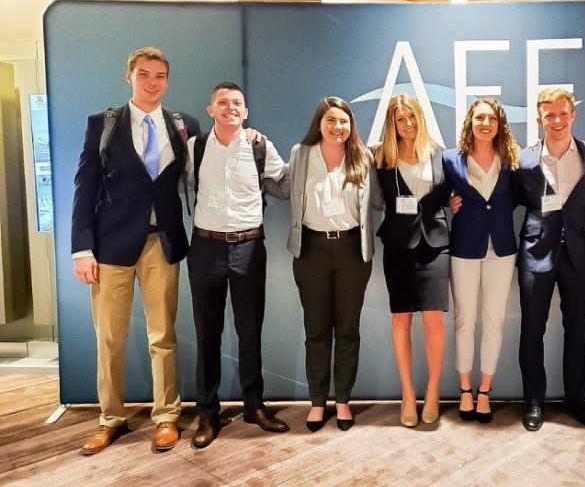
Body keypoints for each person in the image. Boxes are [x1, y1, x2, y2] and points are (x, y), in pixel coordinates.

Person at [72, 47, 201, 454]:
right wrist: (81, 248)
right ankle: (110, 418)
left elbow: (204, 168)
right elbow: (85, 187)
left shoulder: (184, 125)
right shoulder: (103, 124)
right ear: (129, 76)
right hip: (110, 247)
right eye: (144, 74)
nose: (152, 82)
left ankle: (167, 416)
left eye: (160, 76)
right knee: (109, 337)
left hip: (160, 243)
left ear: (167, 80)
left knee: (163, 335)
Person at [264, 96, 382, 432]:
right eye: (331, 120)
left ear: (351, 126)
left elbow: (380, 199)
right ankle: (318, 402)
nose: (338, 127)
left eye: (344, 121)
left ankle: (342, 401)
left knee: (347, 331)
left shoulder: (364, 157)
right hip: (311, 251)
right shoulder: (300, 155)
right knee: (316, 331)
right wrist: (252, 153)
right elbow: (282, 187)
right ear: (320, 123)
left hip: (351, 253)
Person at [186, 82, 290, 448]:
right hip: (205, 247)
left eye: (238, 103)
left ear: (245, 112)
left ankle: (253, 406)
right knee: (206, 334)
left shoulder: (260, 146)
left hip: (249, 247)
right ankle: (206, 413)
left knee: (250, 331)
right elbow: (175, 186)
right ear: (211, 109)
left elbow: (286, 183)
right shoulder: (194, 147)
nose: (230, 107)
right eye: (223, 102)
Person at [514, 87, 585, 431]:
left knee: (578, 331)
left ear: (573, 115)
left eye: (563, 113)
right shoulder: (523, 159)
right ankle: (534, 402)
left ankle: (577, 401)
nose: (557, 120)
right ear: (539, 119)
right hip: (535, 254)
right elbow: (506, 200)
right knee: (532, 331)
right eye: (549, 115)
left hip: (580, 255)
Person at [374, 95, 450, 427]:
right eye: (400, 119)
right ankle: (408, 393)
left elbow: (452, 191)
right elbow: (376, 199)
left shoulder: (439, 154)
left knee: (433, 320)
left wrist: (454, 203)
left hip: (435, 245)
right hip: (398, 246)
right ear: (392, 123)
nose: (407, 124)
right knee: (401, 320)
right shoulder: (381, 157)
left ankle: (432, 391)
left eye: (411, 117)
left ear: (420, 117)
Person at [443, 97, 519, 424]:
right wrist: (447, 200)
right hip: (464, 247)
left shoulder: (512, 161)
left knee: (494, 320)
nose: (485, 123)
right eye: (479, 118)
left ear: (499, 124)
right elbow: (434, 193)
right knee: (464, 319)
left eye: (491, 118)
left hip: (502, 249)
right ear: (470, 123)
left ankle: (484, 391)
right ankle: (464, 390)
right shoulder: (450, 159)